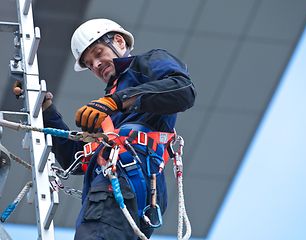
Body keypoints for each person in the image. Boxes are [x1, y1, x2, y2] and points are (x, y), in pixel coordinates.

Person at [32, 18, 195, 239]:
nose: (96, 65)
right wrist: (47, 112)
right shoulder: (109, 113)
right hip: (118, 185)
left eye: (98, 53)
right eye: (89, 64)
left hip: (126, 178)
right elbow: (75, 159)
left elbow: (182, 90)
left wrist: (119, 100)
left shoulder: (145, 65)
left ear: (118, 41)